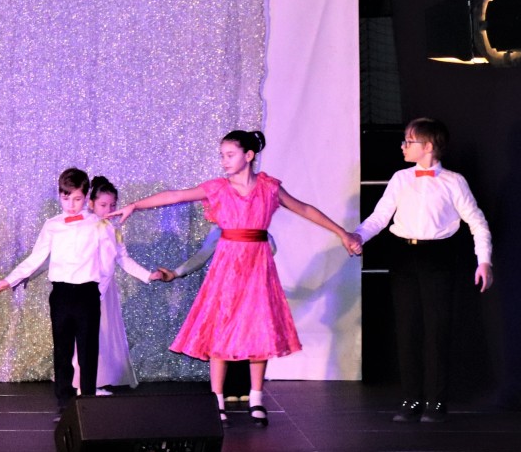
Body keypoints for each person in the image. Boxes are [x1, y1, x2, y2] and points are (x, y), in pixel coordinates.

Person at [111, 130, 361, 426]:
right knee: (221, 328)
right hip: (228, 267)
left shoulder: (269, 187)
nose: (224, 161)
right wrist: (135, 205)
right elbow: (177, 195)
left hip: (258, 266)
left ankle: (256, 397)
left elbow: (304, 208)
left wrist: (342, 233)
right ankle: (216, 399)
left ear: (249, 156)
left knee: (259, 328)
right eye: (222, 156)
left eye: (230, 155)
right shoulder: (218, 188)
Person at [352, 118, 492, 424]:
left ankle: (437, 401)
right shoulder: (400, 178)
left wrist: (484, 260)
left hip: (438, 257)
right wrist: (358, 236)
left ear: (428, 146)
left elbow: (477, 222)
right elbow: (380, 217)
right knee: (407, 328)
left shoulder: (453, 182)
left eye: (409, 141)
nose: (403, 146)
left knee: (436, 330)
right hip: (403, 255)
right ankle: (411, 399)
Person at [0, 168, 119, 411]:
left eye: (77, 199)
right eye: (65, 198)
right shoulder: (52, 225)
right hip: (61, 294)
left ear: (86, 197)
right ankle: (64, 404)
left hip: (87, 294)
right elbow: (36, 258)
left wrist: (98, 292)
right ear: (59, 195)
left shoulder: (98, 225)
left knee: (88, 352)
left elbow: (106, 264)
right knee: (62, 351)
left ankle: (88, 404)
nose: (71, 205)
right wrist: (9, 280)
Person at [157, 226, 279, 402]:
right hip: (227, 291)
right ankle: (228, 388)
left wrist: (257, 231)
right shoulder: (221, 228)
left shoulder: (255, 226)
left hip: (251, 288)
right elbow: (201, 256)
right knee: (226, 337)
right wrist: (175, 273)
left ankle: (244, 386)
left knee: (248, 335)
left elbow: (271, 249)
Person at [75, 176, 167, 394]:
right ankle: (81, 384)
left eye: (112, 205)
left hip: (104, 290)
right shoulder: (81, 226)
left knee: (101, 338)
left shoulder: (113, 229)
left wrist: (148, 275)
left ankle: (93, 383)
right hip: (84, 288)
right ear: (91, 203)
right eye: (103, 205)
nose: (108, 210)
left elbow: (123, 259)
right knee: (84, 337)